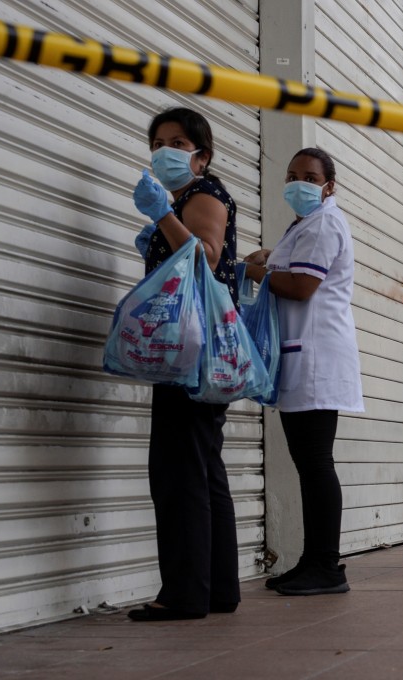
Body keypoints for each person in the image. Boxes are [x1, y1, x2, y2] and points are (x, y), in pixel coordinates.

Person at [127, 107, 241, 621]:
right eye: (158, 140)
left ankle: (183, 593)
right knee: (202, 467)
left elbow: (207, 257)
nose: (165, 149)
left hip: (188, 350)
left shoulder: (203, 195)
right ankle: (216, 589)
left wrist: (162, 219)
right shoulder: (190, 199)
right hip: (200, 347)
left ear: (203, 155)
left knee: (178, 472)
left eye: (178, 141)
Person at [242, 147, 364, 596]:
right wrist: (272, 256)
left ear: (330, 185)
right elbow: (296, 266)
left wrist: (252, 269)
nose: (299, 183)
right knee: (308, 464)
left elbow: (301, 285)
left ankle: (327, 567)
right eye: (292, 174)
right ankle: (313, 561)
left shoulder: (326, 221)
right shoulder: (309, 224)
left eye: (311, 176)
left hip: (316, 358)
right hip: (304, 356)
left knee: (315, 464)